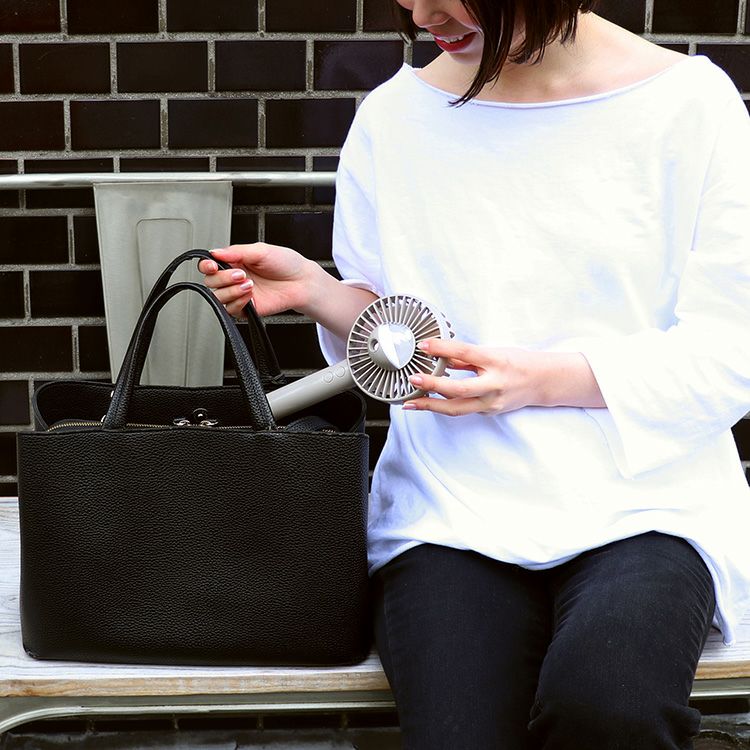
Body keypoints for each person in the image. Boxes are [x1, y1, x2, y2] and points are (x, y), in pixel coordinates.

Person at [200, 0, 750, 747]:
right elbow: (406, 338)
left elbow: (729, 351)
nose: (422, 11)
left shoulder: (690, 104)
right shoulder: (394, 118)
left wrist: (539, 379)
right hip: (450, 509)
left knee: (608, 708)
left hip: (646, 509)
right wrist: (319, 293)